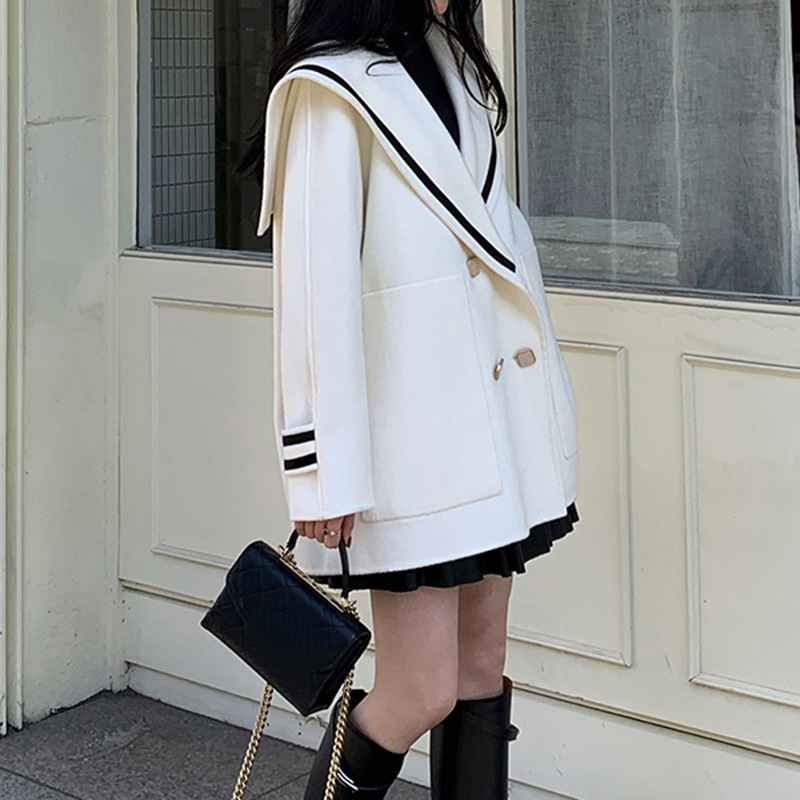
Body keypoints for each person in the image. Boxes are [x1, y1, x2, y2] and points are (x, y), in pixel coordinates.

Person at [236, 0, 580, 796]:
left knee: (482, 668)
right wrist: (320, 469)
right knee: (420, 690)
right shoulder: (327, 87)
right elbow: (314, 293)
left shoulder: (453, 62)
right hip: (410, 446)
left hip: (495, 426)